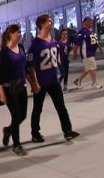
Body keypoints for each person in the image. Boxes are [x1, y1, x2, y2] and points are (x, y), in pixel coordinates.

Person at [27, 14, 78, 143]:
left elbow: (57, 60)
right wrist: (35, 83)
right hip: (41, 81)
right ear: (42, 24)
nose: (51, 23)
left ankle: (67, 131)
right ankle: (35, 132)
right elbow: (30, 66)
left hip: (53, 80)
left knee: (61, 106)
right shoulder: (35, 45)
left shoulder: (54, 41)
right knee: (38, 108)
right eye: (49, 21)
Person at [0, 23, 31, 155]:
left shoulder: (21, 48)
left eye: (20, 32)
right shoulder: (4, 52)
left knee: (23, 115)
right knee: (16, 115)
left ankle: (8, 130)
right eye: (18, 32)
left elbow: (25, 68)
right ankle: (17, 144)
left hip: (22, 86)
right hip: (9, 88)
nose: (20, 35)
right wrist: (2, 94)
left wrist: (33, 83)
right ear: (11, 35)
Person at [73, 17, 103, 89]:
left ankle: (78, 80)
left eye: (91, 21)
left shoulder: (92, 30)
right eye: (89, 22)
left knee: (88, 68)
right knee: (92, 67)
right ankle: (94, 83)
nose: (91, 23)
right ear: (85, 23)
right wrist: (75, 53)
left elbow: (95, 40)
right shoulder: (82, 32)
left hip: (92, 52)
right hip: (86, 52)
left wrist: (99, 47)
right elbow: (76, 44)